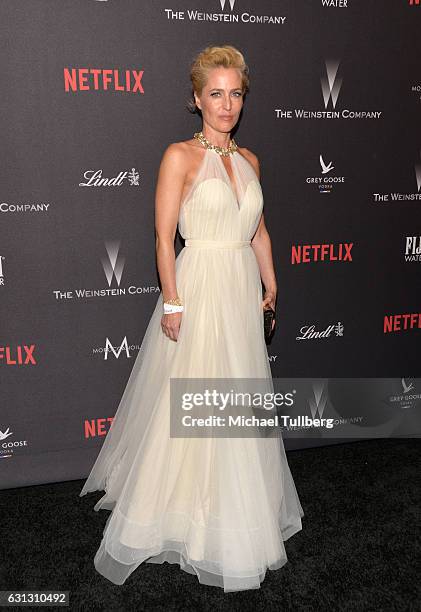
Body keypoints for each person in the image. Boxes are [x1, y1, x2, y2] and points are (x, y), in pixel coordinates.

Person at [79, 44, 304, 592]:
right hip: (199, 286)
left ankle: (229, 510)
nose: (226, 105)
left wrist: (271, 282)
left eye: (235, 94)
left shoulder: (251, 161)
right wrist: (173, 301)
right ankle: (177, 510)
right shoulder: (178, 156)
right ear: (197, 98)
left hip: (240, 288)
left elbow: (258, 232)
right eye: (215, 94)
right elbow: (162, 236)